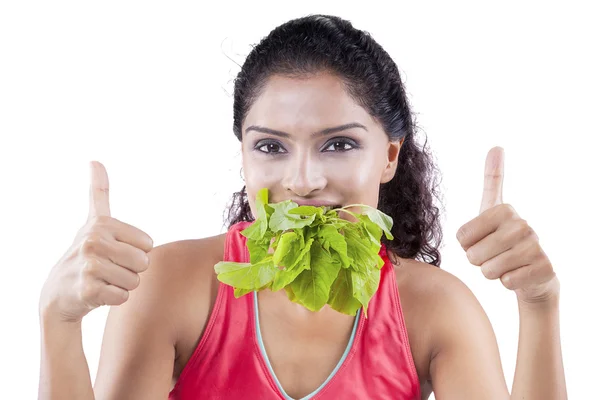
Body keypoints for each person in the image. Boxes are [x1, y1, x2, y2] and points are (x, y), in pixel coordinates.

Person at [38, 14, 567, 400]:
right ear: (243, 158)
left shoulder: (436, 309)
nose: (304, 180)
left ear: (389, 157)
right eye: (270, 146)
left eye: (338, 144)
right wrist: (57, 321)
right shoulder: (168, 284)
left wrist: (539, 304)